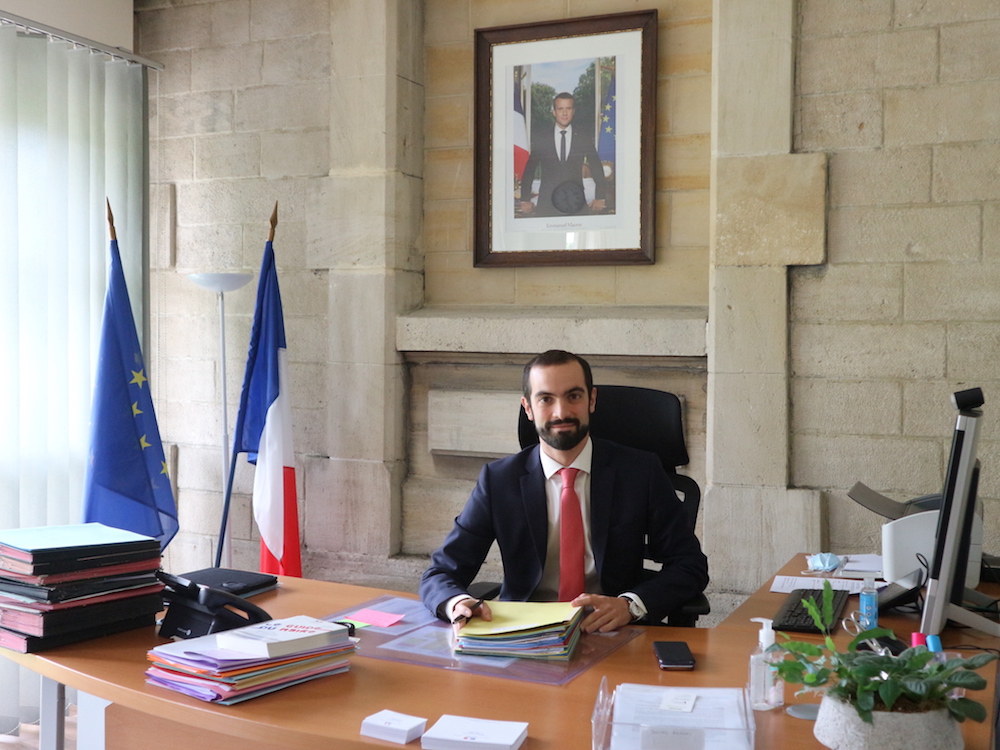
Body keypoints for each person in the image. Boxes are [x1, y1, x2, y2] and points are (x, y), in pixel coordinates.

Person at [419, 350, 709, 634]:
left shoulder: (640, 472)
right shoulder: (499, 481)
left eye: (574, 396)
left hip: (612, 629)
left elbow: (689, 565)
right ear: (528, 408)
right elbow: (442, 572)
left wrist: (630, 606)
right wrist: (458, 603)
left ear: (591, 400)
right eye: (546, 399)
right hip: (525, 634)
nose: (561, 412)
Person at [518, 93, 607, 217]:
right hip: (546, 205)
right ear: (554, 112)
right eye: (560, 109)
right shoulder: (542, 138)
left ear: (573, 111)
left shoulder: (583, 137)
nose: (564, 113)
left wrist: (600, 197)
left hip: (576, 204)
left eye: (568, 109)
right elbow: (529, 170)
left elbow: (596, 166)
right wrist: (525, 199)